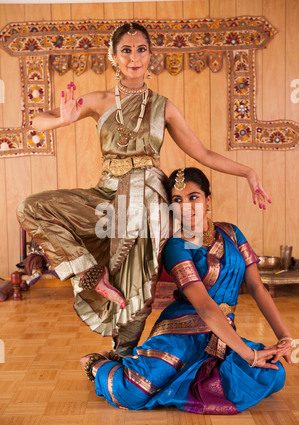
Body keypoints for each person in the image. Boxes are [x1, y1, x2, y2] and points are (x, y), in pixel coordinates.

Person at [17, 22, 271, 360]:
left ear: (151, 56)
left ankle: (121, 354)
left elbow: (204, 153)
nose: (134, 57)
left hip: (149, 199)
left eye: (141, 50)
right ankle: (92, 274)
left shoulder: (164, 107)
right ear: (113, 56)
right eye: (126, 50)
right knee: (31, 207)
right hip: (107, 196)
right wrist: (61, 119)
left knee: (138, 280)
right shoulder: (99, 100)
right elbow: (38, 121)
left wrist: (249, 173)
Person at [80, 167, 293, 414]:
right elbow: (203, 306)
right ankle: (98, 363)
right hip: (182, 334)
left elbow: (257, 288)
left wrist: (285, 337)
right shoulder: (175, 245)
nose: (186, 206)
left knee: (274, 375)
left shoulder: (232, 234)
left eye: (193, 197)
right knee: (133, 393)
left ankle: (184, 381)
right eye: (177, 200)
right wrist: (249, 355)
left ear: (207, 200)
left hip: (222, 335)